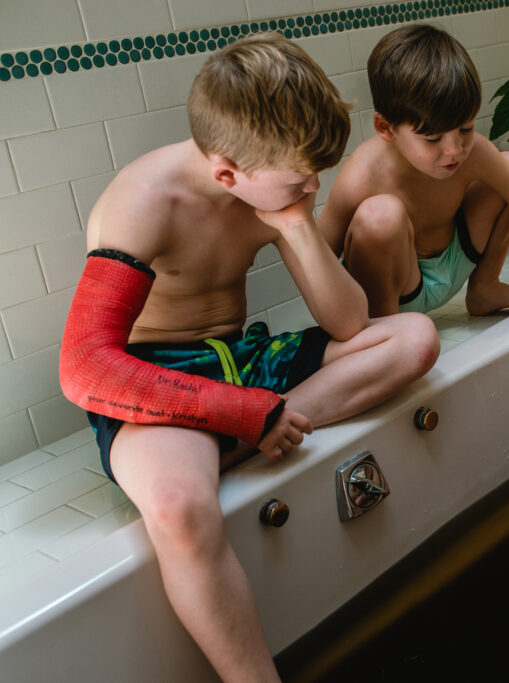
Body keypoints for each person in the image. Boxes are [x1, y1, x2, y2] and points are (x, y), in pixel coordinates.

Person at [59, 33, 439, 683]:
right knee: (180, 508)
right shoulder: (143, 202)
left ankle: (236, 438)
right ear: (227, 174)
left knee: (414, 338)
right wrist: (233, 410)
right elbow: (85, 366)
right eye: (299, 181)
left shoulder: (275, 180)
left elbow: (348, 321)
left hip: (242, 358)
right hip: (160, 376)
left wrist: (293, 223)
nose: (313, 186)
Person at [318, 23, 509, 348]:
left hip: (455, 260)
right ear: (386, 128)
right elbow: (319, 260)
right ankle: (388, 334)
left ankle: (484, 288)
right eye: (433, 138)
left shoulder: (474, 153)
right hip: (396, 288)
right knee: (380, 216)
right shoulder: (363, 174)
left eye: (465, 129)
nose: (454, 150)